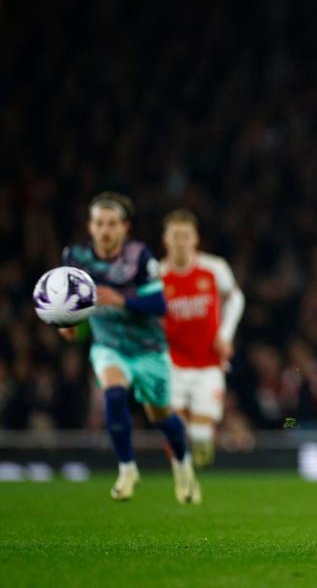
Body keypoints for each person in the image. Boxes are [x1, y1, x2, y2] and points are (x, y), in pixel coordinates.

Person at [59, 192, 199, 503]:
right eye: (99, 223)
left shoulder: (140, 256)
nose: (105, 230)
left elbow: (159, 304)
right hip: (109, 346)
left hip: (149, 349)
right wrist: (70, 329)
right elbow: (72, 310)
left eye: (112, 224)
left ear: (125, 227)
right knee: (114, 392)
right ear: (91, 227)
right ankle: (127, 468)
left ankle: (183, 463)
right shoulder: (75, 258)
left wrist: (122, 299)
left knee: (162, 416)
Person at [160, 209, 245, 469]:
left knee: (200, 435)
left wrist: (225, 335)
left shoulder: (214, 268)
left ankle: (196, 459)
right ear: (166, 239)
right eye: (176, 236)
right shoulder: (156, 275)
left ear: (195, 239)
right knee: (173, 426)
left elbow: (236, 298)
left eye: (186, 236)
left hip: (208, 363)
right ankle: (182, 477)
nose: (181, 241)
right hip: (172, 363)